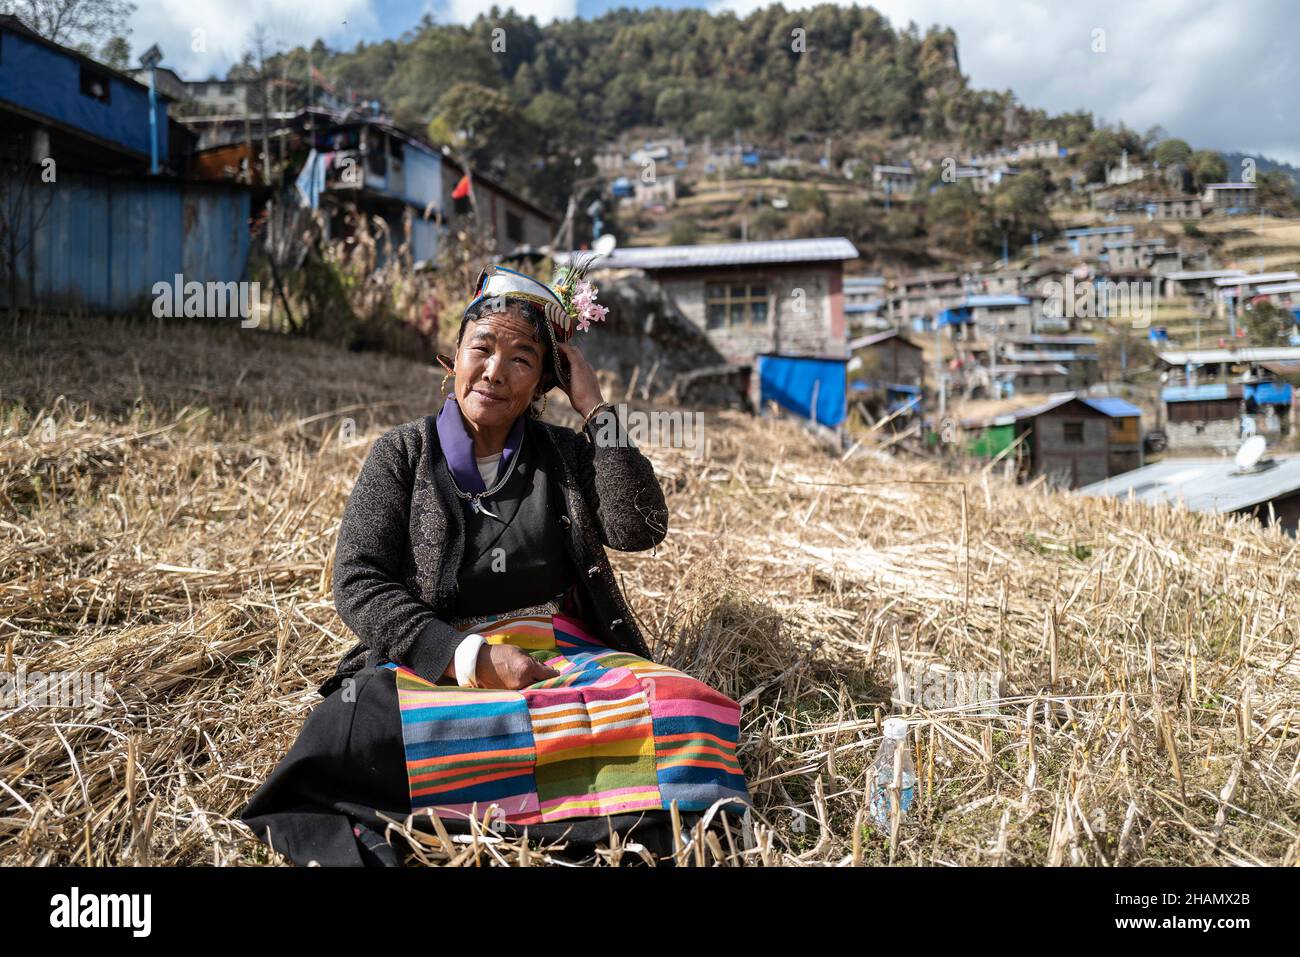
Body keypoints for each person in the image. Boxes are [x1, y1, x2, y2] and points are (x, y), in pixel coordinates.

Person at [239, 263, 752, 866]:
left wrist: (595, 409)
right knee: (352, 728)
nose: (494, 372)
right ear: (452, 357)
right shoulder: (402, 453)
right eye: (481, 348)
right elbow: (358, 581)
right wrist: (471, 658)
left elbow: (640, 529)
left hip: (558, 664)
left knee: (683, 707)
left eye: (522, 360)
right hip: (434, 667)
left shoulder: (562, 455)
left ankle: (577, 816)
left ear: (542, 383)